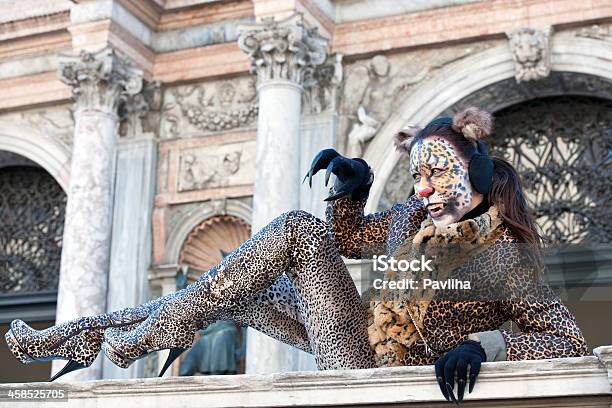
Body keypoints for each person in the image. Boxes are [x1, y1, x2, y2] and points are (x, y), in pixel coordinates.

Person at [5, 107, 586, 403]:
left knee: (281, 238)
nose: (426, 189)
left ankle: (138, 338)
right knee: (235, 278)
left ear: (478, 175)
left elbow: (567, 341)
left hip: (378, 373)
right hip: (348, 333)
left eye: (438, 174)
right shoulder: (410, 217)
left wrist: (485, 345)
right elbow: (350, 239)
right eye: (419, 176)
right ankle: (79, 338)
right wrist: (352, 191)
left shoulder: (506, 258)